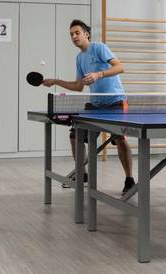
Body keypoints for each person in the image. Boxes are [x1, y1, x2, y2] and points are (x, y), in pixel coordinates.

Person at [42, 19, 136, 194]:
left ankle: (129, 179)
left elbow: (120, 67)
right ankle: (82, 173)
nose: (74, 36)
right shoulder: (79, 58)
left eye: (77, 33)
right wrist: (56, 81)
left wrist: (99, 74)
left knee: (119, 139)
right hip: (96, 105)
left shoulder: (99, 48)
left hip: (115, 102)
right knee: (75, 136)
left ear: (86, 34)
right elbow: (78, 86)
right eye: (71, 34)